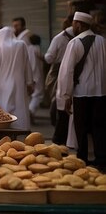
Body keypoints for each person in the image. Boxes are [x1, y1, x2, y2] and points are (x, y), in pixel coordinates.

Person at [57, 12, 106, 167]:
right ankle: (101, 159)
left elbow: (67, 71)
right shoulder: (102, 41)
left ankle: (82, 158)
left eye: (73, 24)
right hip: (101, 93)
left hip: (82, 92)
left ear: (78, 24)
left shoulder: (75, 42)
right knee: (99, 127)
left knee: (81, 128)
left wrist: (66, 95)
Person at [0, 27, 33, 130]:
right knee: (19, 105)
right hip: (19, 82)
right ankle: (21, 127)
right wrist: (29, 82)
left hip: (1, 83)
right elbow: (27, 65)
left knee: (4, 106)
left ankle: (6, 127)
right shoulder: (21, 45)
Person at [44, 15, 74, 144]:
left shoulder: (59, 38)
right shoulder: (91, 38)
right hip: (79, 76)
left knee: (58, 101)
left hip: (59, 72)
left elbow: (49, 58)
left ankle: (59, 137)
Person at [28, 34, 45, 118]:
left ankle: (31, 111)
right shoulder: (36, 48)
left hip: (30, 74)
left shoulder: (29, 48)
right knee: (38, 94)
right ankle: (31, 110)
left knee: (33, 93)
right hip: (37, 73)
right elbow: (42, 58)